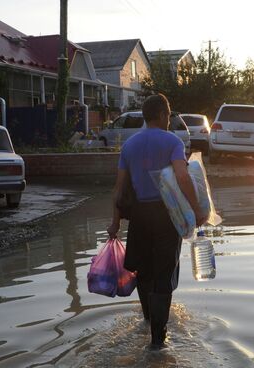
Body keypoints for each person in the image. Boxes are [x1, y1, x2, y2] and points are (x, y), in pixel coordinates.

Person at [107, 93, 207, 349]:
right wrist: (197, 210)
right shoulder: (172, 142)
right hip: (165, 216)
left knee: (143, 271)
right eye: (168, 115)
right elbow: (183, 178)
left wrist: (115, 223)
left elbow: (118, 190)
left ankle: (149, 320)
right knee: (164, 274)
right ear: (163, 115)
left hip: (139, 216)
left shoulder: (129, 145)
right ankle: (158, 341)